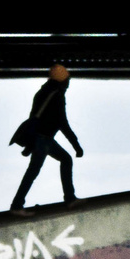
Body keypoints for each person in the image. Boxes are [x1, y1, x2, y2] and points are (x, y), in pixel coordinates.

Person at [8, 63, 84, 214]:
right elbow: (63, 123)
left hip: (42, 138)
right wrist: (76, 145)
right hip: (44, 140)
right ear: (62, 80)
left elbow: (35, 117)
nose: (68, 83)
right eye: (67, 79)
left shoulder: (42, 92)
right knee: (35, 170)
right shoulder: (57, 95)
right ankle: (17, 206)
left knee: (60, 161)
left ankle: (70, 199)